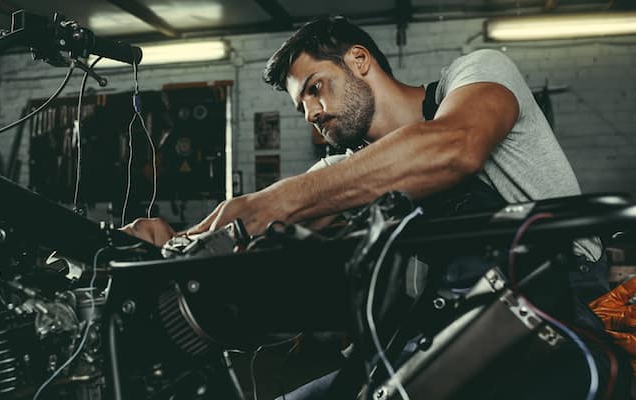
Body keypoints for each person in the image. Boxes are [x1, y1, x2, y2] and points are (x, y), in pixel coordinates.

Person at [123, 16, 627, 399]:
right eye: (301, 108)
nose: (312, 114)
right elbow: (256, 217)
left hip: (547, 313)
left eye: (316, 88)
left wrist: (276, 199)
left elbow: (454, 147)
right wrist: (178, 244)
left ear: (360, 61)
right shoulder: (345, 173)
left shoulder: (474, 74)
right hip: (429, 332)